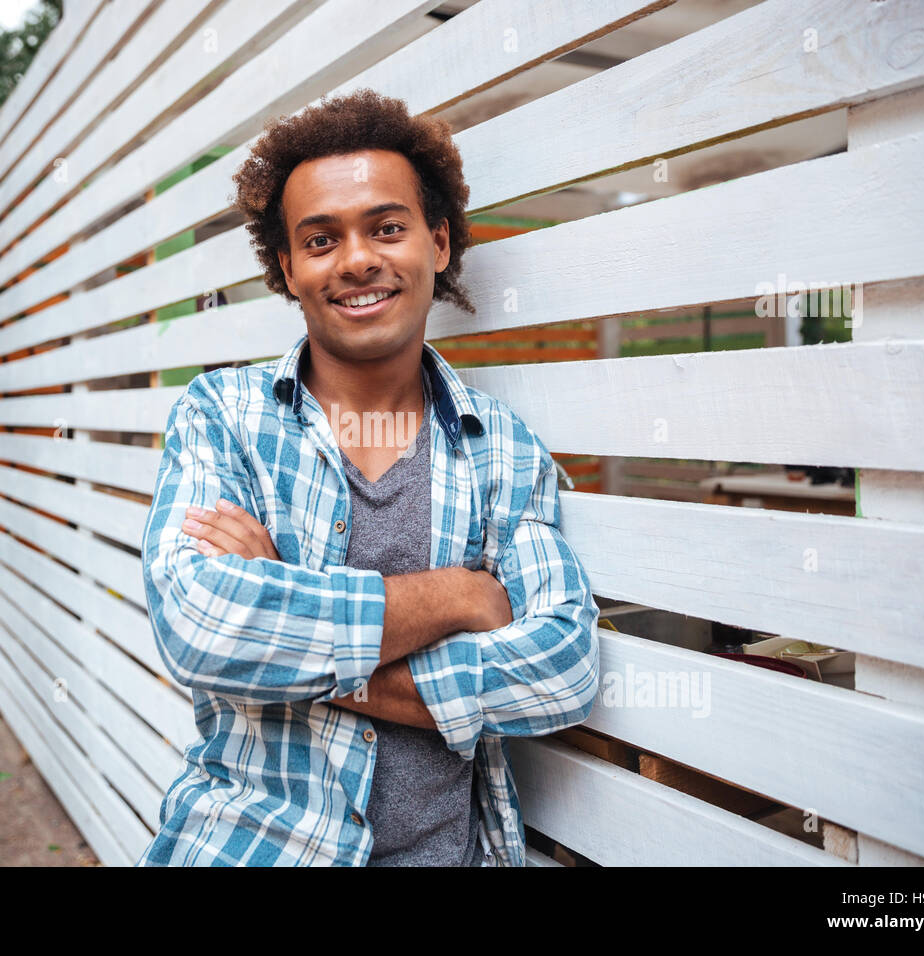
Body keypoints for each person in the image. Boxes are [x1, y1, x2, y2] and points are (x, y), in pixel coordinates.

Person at [135, 88, 600, 867]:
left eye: (386, 227)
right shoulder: (223, 415)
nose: (356, 260)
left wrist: (285, 609)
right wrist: (457, 596)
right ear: (286, 267)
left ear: (439, 243)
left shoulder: (506, 454)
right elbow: (201, 625)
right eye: (321, 240)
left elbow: (562, 668)